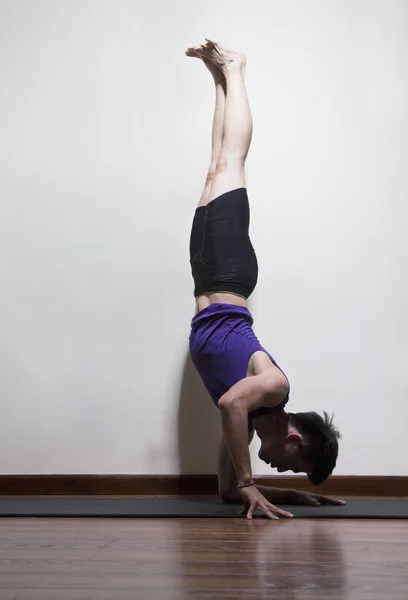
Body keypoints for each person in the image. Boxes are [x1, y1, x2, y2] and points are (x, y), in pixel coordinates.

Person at [186, 39, 346, 520]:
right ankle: (236, 68)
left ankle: (219, 76)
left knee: (217, 163)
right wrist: (253, 481)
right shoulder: (272, 387)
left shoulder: (250, 420)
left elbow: (226, 492)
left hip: (207, 276)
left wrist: (284, 495)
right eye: (295, 469)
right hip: (229, 273)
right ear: (296, 439)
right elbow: (231, 403)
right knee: (232, 163)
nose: (284, 470)